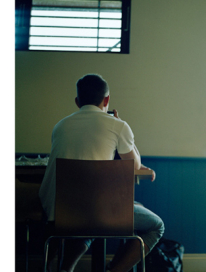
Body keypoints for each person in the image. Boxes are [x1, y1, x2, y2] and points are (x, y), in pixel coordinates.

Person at [39, 74, 165, 272]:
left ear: (77, 101)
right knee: (156, 226)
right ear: (106, 100)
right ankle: (113, 270)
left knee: (87, 217)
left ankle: (65, 269)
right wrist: (121, 125)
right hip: (98, 213)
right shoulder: (117, 125)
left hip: (59, 214)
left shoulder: (60, 126)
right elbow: (135, 165)